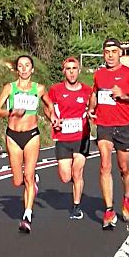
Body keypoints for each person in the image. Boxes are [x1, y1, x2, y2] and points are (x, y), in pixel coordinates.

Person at [87, 38, 129, 229]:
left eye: (114, 51)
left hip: (123, 126)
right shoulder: (99, 75)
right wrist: (91, 108)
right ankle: (108, 209)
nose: (110, 55)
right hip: (104, 125)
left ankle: (127, 195)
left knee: (123, 168)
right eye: (107, 52)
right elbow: (95, 93)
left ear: (120, 53)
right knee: (105, 165)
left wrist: (124, 95)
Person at [0, 55, 58, 233]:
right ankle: (31, 185)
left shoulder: (39, 88)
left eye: (27, 66)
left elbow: (49, 105)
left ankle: (27, 215)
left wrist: (52, 116)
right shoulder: (10, 88)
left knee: (28, 176)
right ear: (17, 69)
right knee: (17, 181)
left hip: (32, 135)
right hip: (13, 136)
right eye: (20, 66)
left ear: (32, 69)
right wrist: (11, 111)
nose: (23, 69)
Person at [47, 57, 92, 220]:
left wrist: (91, 114)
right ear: (64, 71)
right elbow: (48, 108)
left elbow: (94, 107)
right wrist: (52, 117)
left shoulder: (88, 91)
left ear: (79, 71)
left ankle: (76, 206)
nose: (72, 72)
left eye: (74, 68)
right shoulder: (55, 90)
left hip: (81, 137)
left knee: (77, 172)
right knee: (66, 177)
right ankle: (75, 184)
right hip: (62, 137)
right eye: (68, 69)